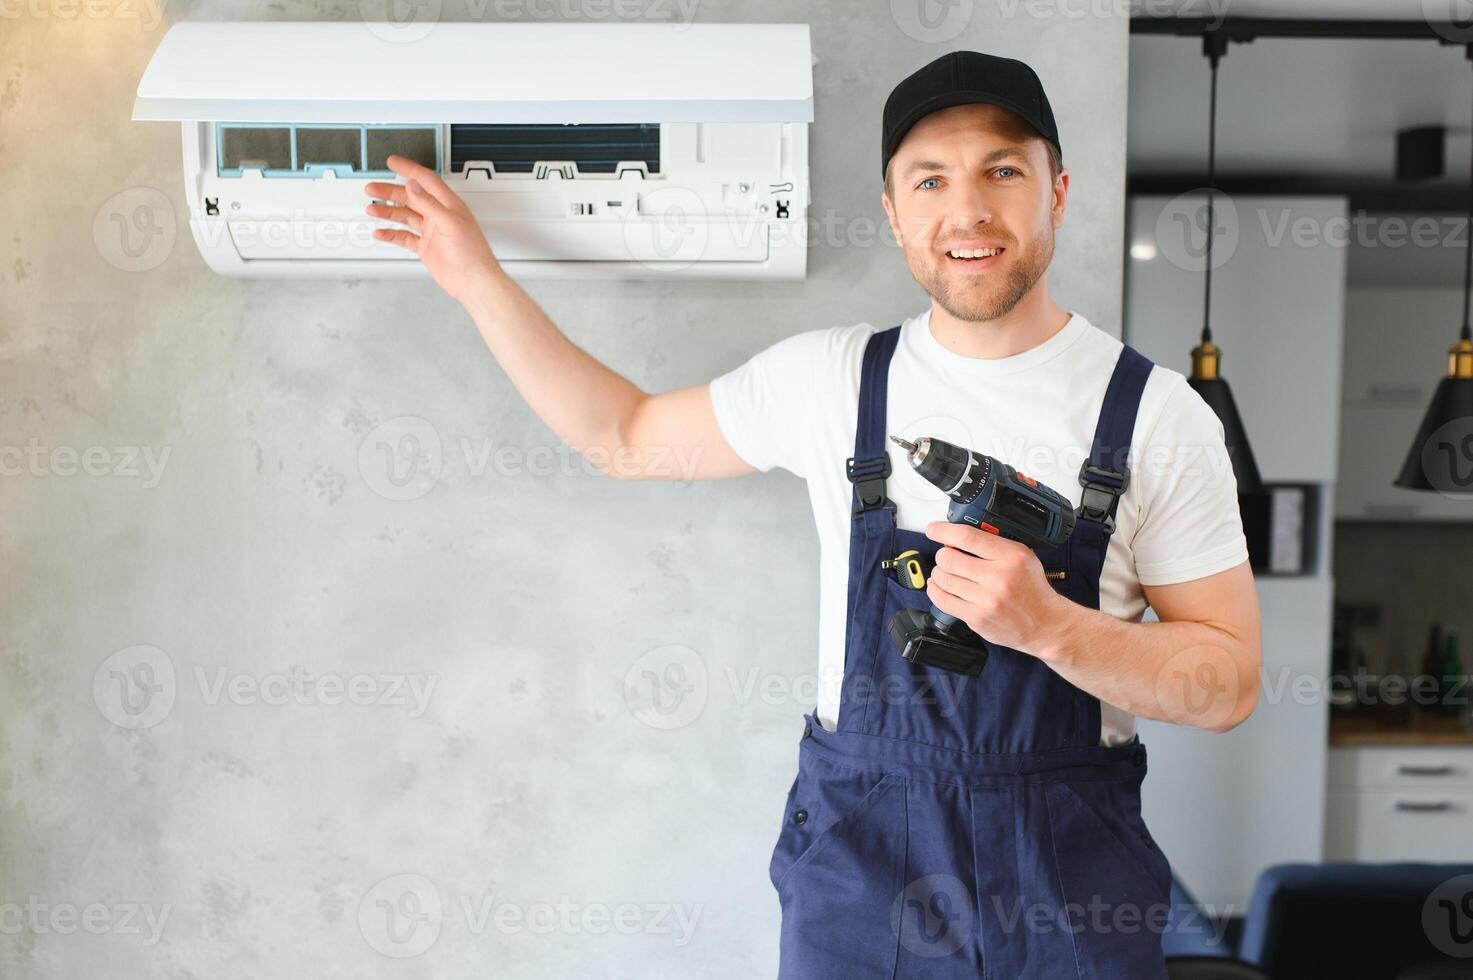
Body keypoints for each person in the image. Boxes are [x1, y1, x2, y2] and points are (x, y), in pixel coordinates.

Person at [364, 48, 1261, 980]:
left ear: (1058, 190)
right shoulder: (830, 381)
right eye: (929, 179)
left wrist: (1051, 629)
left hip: (1068, 881)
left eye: (1003, 170)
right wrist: (477, 279)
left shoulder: (1157, 417)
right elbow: (625, 436)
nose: (968, 211)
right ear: (891, 209)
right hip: (861, 872)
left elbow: (1228, 683)